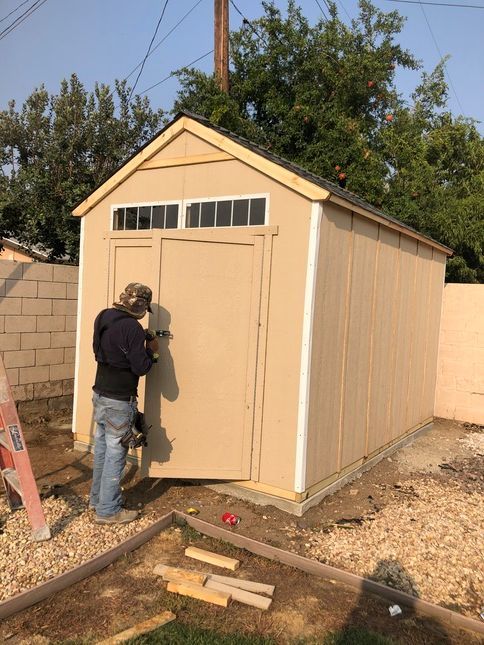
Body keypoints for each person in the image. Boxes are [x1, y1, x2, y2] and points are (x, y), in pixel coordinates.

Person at [89, 282, 159, 524]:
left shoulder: (104, 316)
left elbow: (99, 349)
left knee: (102, 450)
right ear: (140, 306)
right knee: (116, 455)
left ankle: (97, 499)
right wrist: (153, 352)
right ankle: (108, 511)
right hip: (119, 401)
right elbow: (141, 367)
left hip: (100, 395)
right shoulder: (132, 327)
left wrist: (136, 342)